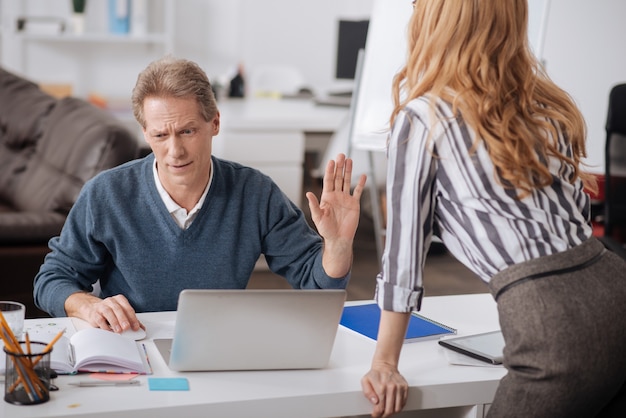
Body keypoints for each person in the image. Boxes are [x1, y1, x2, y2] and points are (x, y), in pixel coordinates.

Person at [361, 1, 626, 417]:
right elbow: (572, 216)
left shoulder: (424, 117)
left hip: (550, 320)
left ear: (435, 19)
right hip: (615, 286)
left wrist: (384, 363)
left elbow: (403, 257)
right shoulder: (546, 106)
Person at [33, 56, 366, 335]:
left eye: (187, 131)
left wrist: (337, 247)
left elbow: (319, 288)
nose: (174, 150)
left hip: (217, 347)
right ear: (145, 132)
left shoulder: (256, 194)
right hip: (132, 348)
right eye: (160, 135)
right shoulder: (106, 194)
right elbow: (51, 279)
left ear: (215, 123)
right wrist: (86, 304)